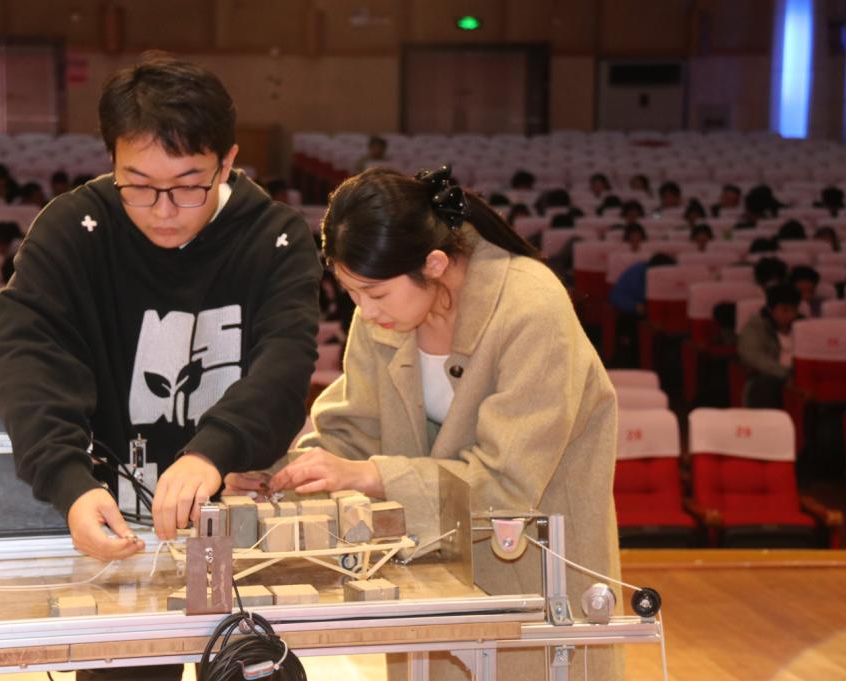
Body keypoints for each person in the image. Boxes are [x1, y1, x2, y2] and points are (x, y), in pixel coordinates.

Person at [0, 55, 322, 667]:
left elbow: (284, 364)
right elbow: (24, 355)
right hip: (113, 526)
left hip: (240, 525)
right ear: (111, 160)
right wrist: (68, 483)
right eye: (137, 184)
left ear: (227, 161)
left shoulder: (275, 238)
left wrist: (212, 452)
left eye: (189, 184)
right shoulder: (73, 230)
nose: (163, 209)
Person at [259, 166, 622, 681]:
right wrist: (284, 476)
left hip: (537, 577)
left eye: (374, 293)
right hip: (429, 578)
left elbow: (507, 485)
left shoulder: (531, 308)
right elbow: (352, 432)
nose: (364, 310)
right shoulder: (384, 314)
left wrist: (373, 476)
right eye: (352, 292)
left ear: (433, 264)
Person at [738, 283, 800, 408]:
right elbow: (752, 356)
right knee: (765, 386)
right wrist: (785, 374)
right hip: (771, 376)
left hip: (800, 376)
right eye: (785, 310)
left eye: (794, 310)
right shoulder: (756, 327)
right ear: (771, 310)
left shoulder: (803, 326)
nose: (790, 315)